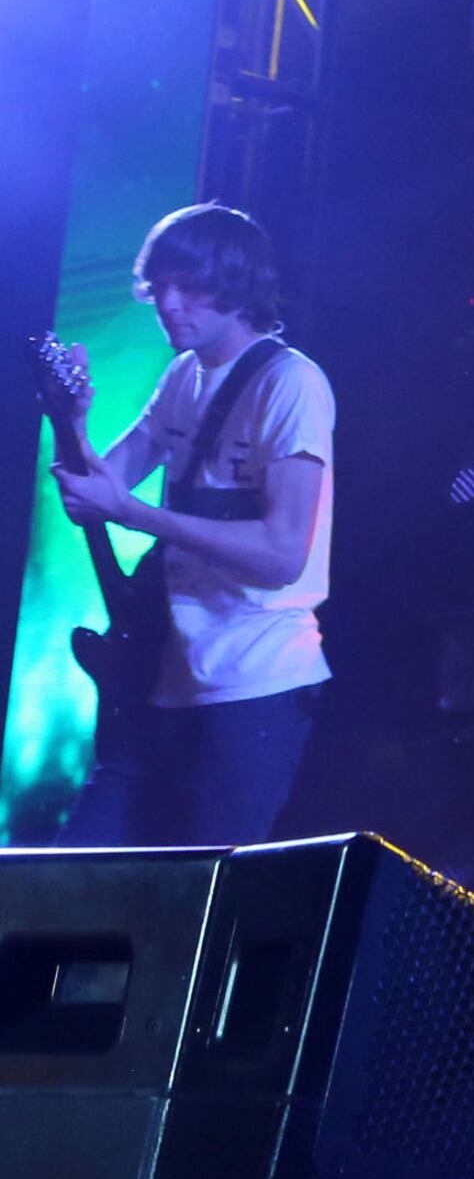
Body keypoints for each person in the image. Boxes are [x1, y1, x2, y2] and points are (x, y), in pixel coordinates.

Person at [47, 204, 335, 846]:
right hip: (162, 676)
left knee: (191, 899)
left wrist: (130, 512)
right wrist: (73, 423)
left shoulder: (291, 384)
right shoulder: (184, 375)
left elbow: (283, 553)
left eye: (191, 286)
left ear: (237, 286)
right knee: (70, 875)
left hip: (251, 687)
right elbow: (99, 489)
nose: (169, 303)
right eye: (161, 286)